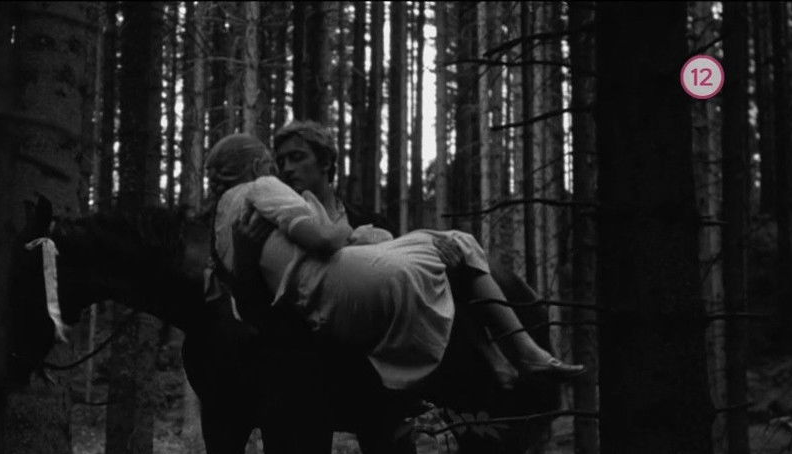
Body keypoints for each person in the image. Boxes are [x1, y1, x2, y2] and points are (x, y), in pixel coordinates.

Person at [204, 129, 582, 393]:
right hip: (317, 347)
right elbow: (319, 251)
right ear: (258, 168)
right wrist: (340, 234)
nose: (284, 169)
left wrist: (373, 237)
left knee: (449, 251)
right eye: (278, 160)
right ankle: (516, 352)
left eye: (296, 158)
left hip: (341, 320)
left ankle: (499, 355)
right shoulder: (265, 199)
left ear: (325, 164)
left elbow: (376, 247)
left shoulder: (241, 217)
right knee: (454, 245)